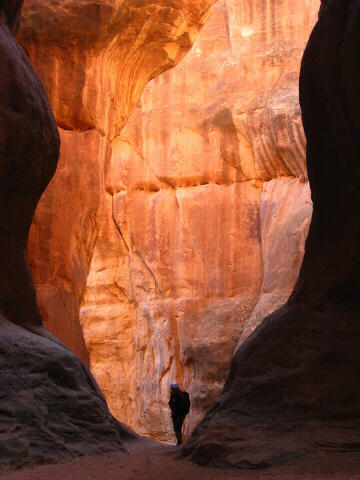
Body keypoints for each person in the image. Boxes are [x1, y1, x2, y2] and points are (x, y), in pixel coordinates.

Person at [168, 381, 190, 446]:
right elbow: (171, 403)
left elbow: (180, 405)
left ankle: (179, 441)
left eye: (172, 389)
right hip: (177, 414)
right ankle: (179, 441)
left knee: (178, 428)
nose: (172, 390)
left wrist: (175, 408)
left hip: (179, 414)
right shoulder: (174, 395)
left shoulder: (179, 395)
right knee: (177, 428)